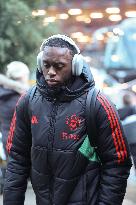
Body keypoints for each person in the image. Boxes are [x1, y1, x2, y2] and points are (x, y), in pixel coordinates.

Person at [3, 34, 132, 205]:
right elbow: (17, 159)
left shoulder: (99, 104)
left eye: (59, 66)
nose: (50, 72)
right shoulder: (27, 101)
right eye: (46, 65)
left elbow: (117, 163)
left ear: (76, 66)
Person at [0, 61, 30, 157]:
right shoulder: (21, 99)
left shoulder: (3, 95)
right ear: (22, 76)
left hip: (7, 141)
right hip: (22, 144)